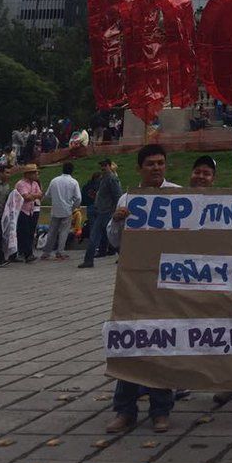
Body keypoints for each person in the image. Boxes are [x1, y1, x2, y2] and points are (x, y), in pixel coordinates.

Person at [105, 144, 179, 433]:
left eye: (161, 162)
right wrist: (116, 221)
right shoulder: (127, 198)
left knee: (160, 343)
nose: (156, 168)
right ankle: (125, 410)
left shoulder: (178, 194)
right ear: (139, 168)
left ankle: (161, 409)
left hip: (165, 279)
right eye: (150, 164)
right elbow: (113, 242)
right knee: (130, 343)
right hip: (134, 280)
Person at [79, 159, 122, 268]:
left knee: (96, 235)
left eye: (104, 166)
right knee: (106, 235)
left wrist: (114, 210)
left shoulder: (112, 179)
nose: (103, 169)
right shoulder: (104, 178)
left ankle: (89, 260)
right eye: (101, 167)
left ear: (109, 166)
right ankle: (123, 256)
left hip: (107, 211)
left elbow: (117, 195)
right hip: (102, 211)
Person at [41, 162, 82, 260]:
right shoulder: (73, 182)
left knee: (52, 231)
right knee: (64, 232)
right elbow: (78, 198)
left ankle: (46, 252)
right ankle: (60, 251)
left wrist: (55, 200)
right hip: (67, 209)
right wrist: (73, 208)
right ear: (72, 170)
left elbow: (47, 195)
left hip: (55, 209)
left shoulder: (54, 180)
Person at [12, 163, 42, 263]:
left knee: (30, 232)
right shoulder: (21, 184)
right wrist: (34, 195)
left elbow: (40, 194)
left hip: (32, 211)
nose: (36, 175)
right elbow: (26, 197)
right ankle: (28, 254)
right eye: (34, 173)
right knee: (23, 232)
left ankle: (25, 252)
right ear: (28, 174)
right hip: (22, 210)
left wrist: (32, 195)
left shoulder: (35, 184)